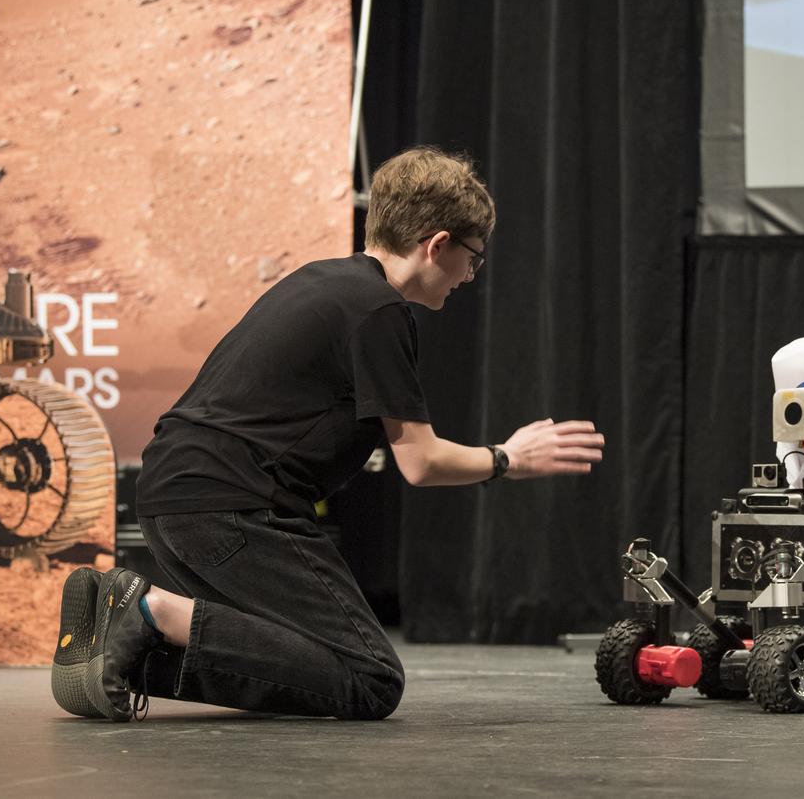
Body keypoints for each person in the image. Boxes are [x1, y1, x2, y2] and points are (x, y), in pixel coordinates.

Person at [49, 146, 605, 722]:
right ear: (437, 245)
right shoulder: (379, 310)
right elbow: (422, 463)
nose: (470, 275)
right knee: (371, 678)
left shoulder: (322, 281)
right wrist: (508, 458)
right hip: (232, 510)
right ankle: (150, 609)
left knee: (302, 658)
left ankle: (126, 650)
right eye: (474, 257)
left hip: (173, 505)